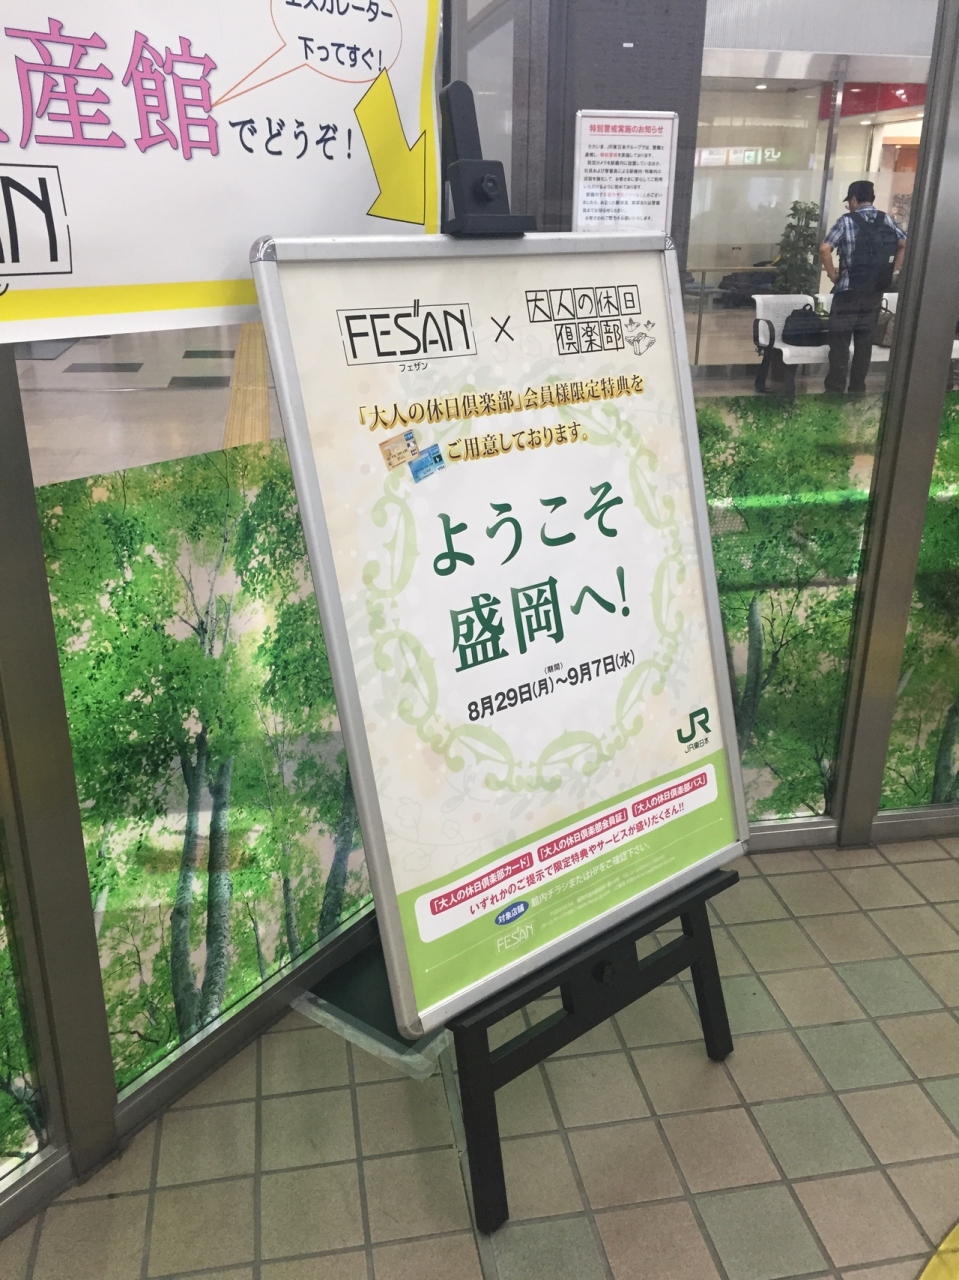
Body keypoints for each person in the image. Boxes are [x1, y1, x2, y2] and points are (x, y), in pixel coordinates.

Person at [819, 180, 906, 394]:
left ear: (854, 199)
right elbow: (904, 243)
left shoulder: (846, 221)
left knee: (839, 342)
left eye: (849, 201)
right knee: (864, 343)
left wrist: (832, 275)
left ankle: (835, 390)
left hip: (848, 292)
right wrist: (893, 269)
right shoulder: (886, 219)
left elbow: (824, 248)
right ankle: (857, 390)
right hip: (874, 292)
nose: (849, 205)